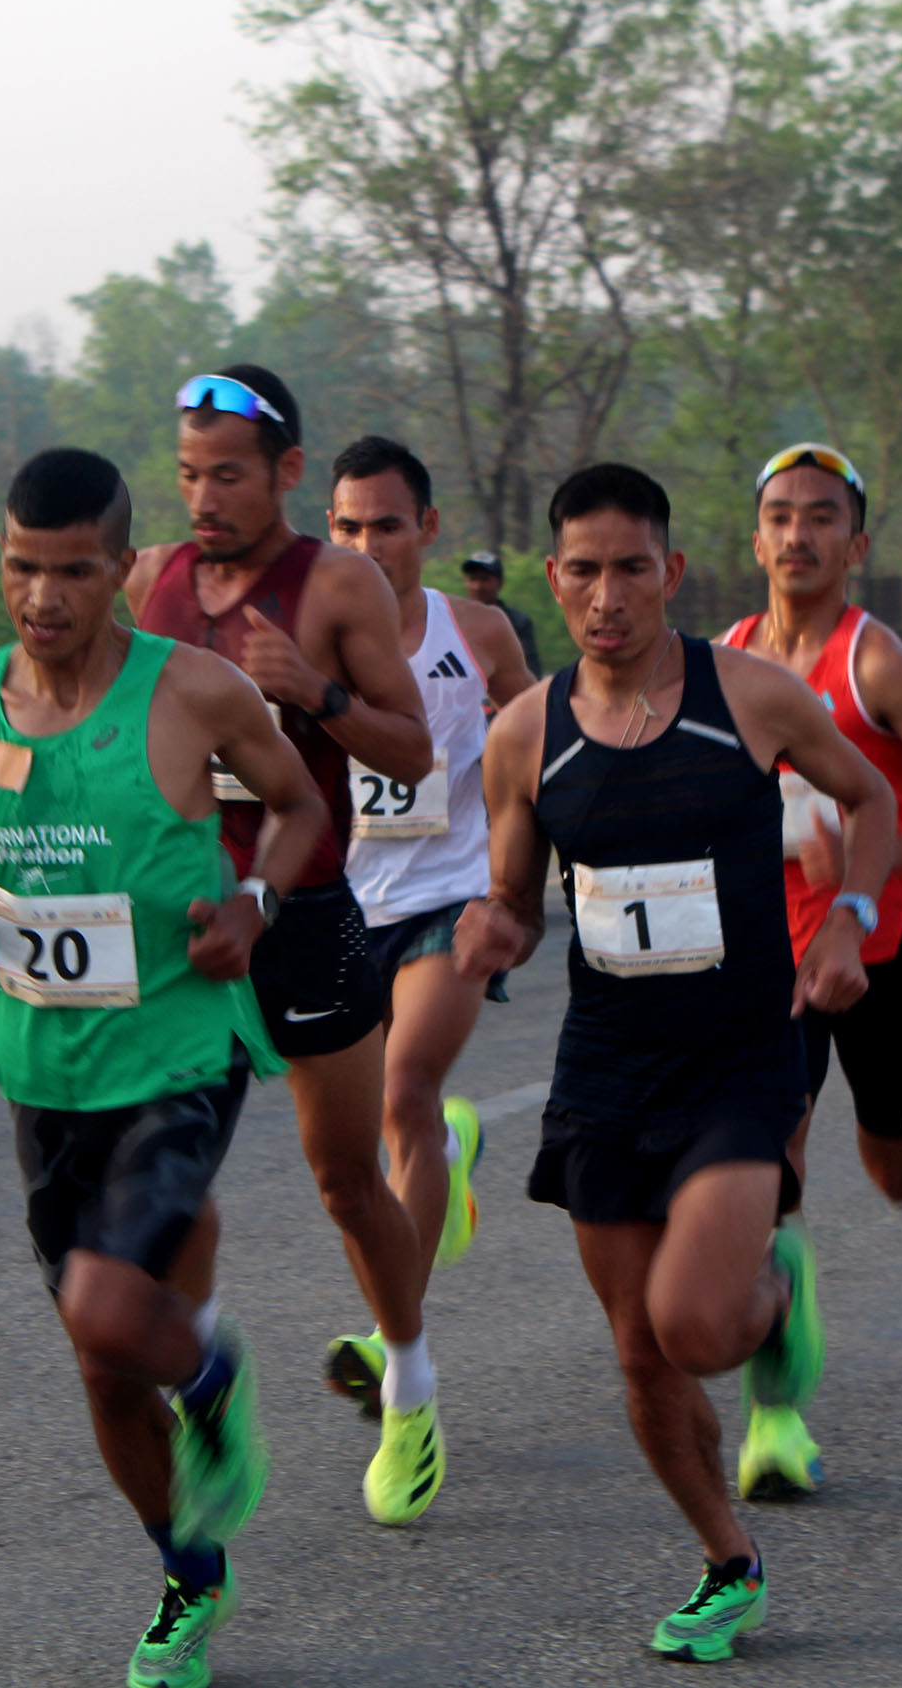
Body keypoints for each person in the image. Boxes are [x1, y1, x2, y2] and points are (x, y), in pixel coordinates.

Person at [0, 449, 330, 1688]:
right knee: (100, 1362)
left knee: (109, 1309)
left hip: (178, 1051)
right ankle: (186, 1573)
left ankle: (216, 1379)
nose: (44, 596)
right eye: (23, 567)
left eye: (74, 570)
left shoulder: (195, 693)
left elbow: (297, 805)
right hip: (43, 1072)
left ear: (124, 568)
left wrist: (256, 897)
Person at [455, 464, 897, 1661]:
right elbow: (516, 895)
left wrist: (851, 919)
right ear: (555, 581)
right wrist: (497, 928)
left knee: (698, 1325)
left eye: (632, 569)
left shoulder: (749, 695)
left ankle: (772, 1292)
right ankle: (726, 1560)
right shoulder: (525, 735)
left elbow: (871, 802)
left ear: (674, 574)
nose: (608, 596)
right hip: (605, 1066)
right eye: (585, 572)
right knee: (640, 1351)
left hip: (743, 1056)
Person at [127, 366, 457, 1527]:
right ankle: (205, 1380)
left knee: (344, 1179)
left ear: (287, 473)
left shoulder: (338, 584)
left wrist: (312, 691)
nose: (204, 497)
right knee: (168, 1176)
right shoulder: (149, 583)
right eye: (187, 475)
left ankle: (410, 1387)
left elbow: (413, 754)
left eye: (228, 474)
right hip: (186, 929)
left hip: (309, 913)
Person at [715, 441, 902, 1497]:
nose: (799, 534)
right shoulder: (726, 661)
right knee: (766, 1171)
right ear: (756, 540)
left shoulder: (874, 663)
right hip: (762, 963)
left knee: (897, 1171)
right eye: (782, 516)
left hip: (880, 954)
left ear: (856, 542)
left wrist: (867, 861)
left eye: (821, 517)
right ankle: (774, 1416)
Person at [319, 436, 539, 1455]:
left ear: (428, 530)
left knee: (405, 1088)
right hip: (337, 908)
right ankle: (447, 1153)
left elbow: (538, 754)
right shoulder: (303, 637)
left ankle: (398, 1359)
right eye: (350, 526)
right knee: (367, 1145)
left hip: (449, 902)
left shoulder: (478, 630)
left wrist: (518, 887)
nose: (369, 544)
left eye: (389, 524)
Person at [460, 548, 544, 675]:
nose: (478, 586)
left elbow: (531, 669)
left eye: (485, 579)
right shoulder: (453, 620)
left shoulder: (517, 622)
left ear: (499, 584)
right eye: (473, 579)